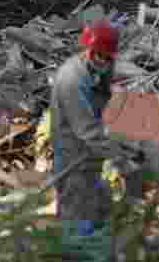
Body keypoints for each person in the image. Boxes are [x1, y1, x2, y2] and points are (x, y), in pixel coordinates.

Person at [50, 21, 143, 237]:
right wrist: (121, 160)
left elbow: (103, 101)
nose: (104, 61)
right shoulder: (71, 80)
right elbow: (87, 130)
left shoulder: (103, 67)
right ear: (88, 51)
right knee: (77, 224)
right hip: (72, 155)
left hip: (91, 155)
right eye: (99, 56)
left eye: (107, 57)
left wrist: (124, 143)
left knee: (103, 211)